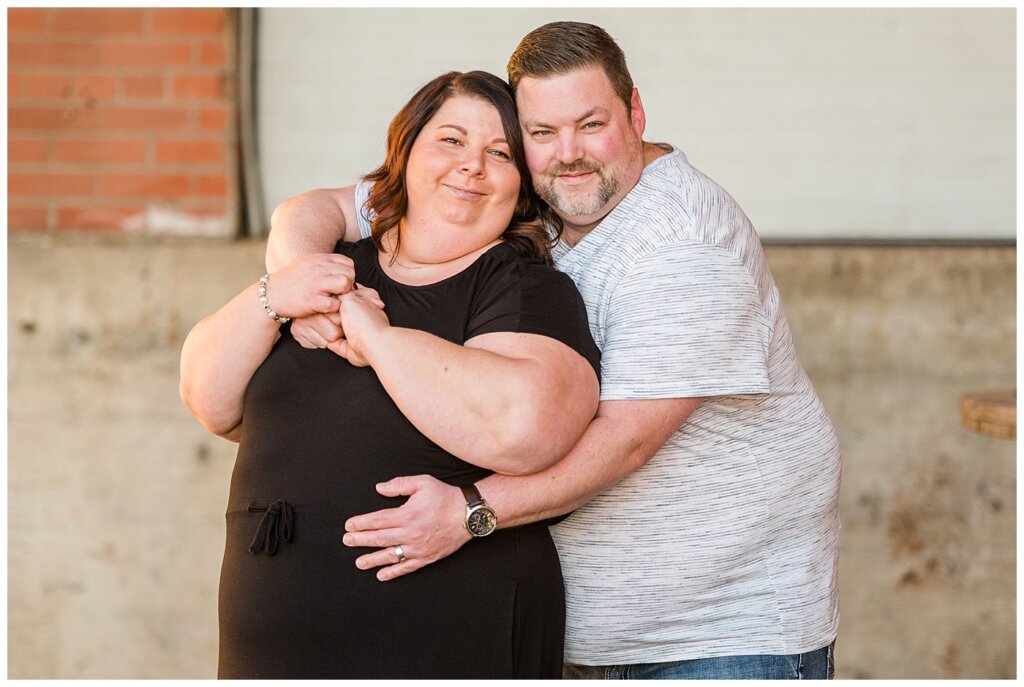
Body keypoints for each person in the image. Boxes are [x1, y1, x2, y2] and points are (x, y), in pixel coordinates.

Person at [269, 21, 841, 681]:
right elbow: (315, 209)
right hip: (589, 634)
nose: (569, 154)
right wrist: (305, 281)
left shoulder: (684, 242)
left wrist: (470, 510)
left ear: (635, 112)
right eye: (542, 134)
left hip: (718, 636)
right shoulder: (527, 198)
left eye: (591, 124)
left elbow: (626, 441)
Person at [179, 70, 601, 679]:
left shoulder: (527, 289)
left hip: (448, 628)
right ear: (403, 155)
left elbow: (526, 427)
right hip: (273, 642)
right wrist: (274, 295)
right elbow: (210, 402)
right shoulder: (327, 266)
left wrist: (374, 336)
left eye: (500, 153)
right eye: (450, 141)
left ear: (523, 184)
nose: (472, 167)